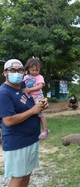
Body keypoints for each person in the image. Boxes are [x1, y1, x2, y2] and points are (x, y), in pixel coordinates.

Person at [0, 59, 48, 187]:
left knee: (27, 174)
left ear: (23, 72)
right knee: (18, 178)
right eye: (12, 70)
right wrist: (33, 111)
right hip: (17, 142)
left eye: (20, 70)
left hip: (31, 139)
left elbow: (32, 104)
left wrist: (41, 105)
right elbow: (8, 120)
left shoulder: (23, 86)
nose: (17, 73)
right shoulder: (4, 92)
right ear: (5, 73)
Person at [22, 58, 49, 140]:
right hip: (29, 97)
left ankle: (45, 130)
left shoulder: (39, 77)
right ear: (28, 68)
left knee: (40, 114)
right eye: (32, 70)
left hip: (38, 96)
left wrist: (29, 90)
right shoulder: (26, 77)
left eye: (37, 70)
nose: (34, 72)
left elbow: (40, 86)